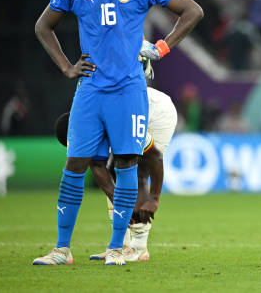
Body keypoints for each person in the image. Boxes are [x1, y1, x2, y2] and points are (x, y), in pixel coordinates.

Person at [33, 0, 203, 266]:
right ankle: (62, 249)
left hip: (129, 90)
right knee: (75, 164)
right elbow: (43, 25)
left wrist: (163, 47)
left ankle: (117, 248)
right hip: (90, 89)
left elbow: (193, 11)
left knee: (127, 163)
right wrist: (67, 67)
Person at [53, 73, 178, 262]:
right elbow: (96, 164)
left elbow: (155, 157)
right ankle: (119, 245)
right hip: (124, 104)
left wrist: (154, 199)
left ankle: (139, 247)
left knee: (136, 169)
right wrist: (120, 202)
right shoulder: (86, 118)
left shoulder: (116, 119)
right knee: (113, 173)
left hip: (157, 111)